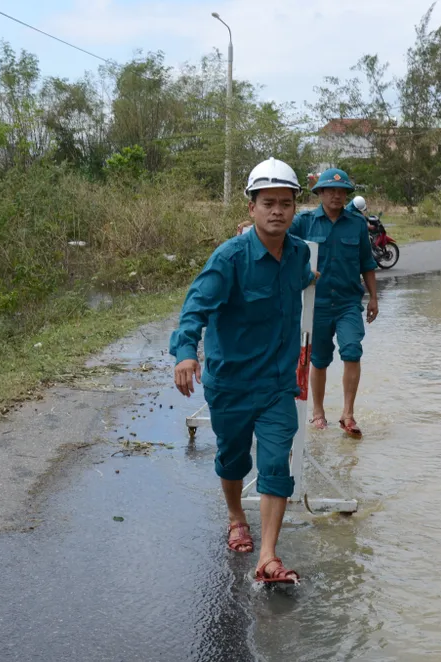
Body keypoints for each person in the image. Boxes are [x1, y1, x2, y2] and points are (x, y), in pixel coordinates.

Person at [170, 158, 317, 584]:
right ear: (251, 208)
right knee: (233, 459)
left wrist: (319, 277)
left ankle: (268, 555)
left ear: (294, 209)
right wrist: (185, 354)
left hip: (276, 384)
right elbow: (194, 308)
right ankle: (237, 517)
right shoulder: (229, 258)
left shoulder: (298, 254)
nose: (277, 211)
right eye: (268, 202)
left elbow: (304, 277)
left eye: (286, 203)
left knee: (276, 463)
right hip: (231, 383)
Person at [289, 168, 378, 438]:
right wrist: (249, 229)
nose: (337, 196)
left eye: (342, 192)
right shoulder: (304, 222)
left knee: (352, 350)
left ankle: (348, 414)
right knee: (319, 359)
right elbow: (275, 232)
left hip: (348, 302)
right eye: (331, 191)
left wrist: (373, 297)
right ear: (320, 193)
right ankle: (318, 413)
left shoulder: (357, 224)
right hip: (316, 303)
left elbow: (367, 262)